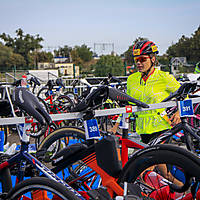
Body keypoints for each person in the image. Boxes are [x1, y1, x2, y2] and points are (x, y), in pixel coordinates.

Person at [110, 40, 181, 144]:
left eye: (142, 59)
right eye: (136, 60)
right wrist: (116, 126)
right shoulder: (132, 79)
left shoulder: (164, 77)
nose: (139, 63)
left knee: (159, 159)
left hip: (161, 128)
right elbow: (127, 105)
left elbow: (185, 95)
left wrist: (179, 113)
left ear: (153, 59)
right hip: (142, 131)